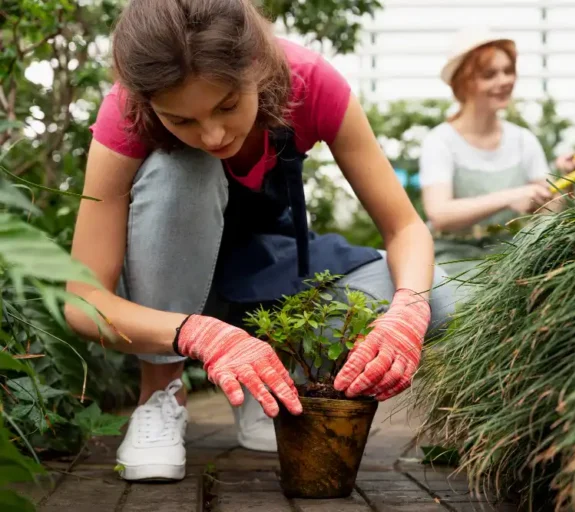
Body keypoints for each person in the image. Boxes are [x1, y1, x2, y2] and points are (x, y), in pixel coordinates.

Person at [64, 0, 455, 482]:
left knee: (437, 294)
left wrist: (407, 311)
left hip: (264, 273)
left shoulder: (309, 82)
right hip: (167, 290)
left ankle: (267, 376)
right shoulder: (126, 111)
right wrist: (199, 334)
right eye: (180, 120)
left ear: (259, 66)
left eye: (227, 106)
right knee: (181, 169)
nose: (211, 134)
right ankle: (160, 394)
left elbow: (405, 228)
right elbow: (83, 301)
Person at [419, 27, 575, 277]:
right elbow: (440, 214)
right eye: (489, 74)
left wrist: (568, 181)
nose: (505, 81)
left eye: (508, 71)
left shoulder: (523, 140)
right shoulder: (440, 141)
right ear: (464, 82)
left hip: (512, 258)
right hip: (451, 263)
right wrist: (510, 197)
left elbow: (548, 211)